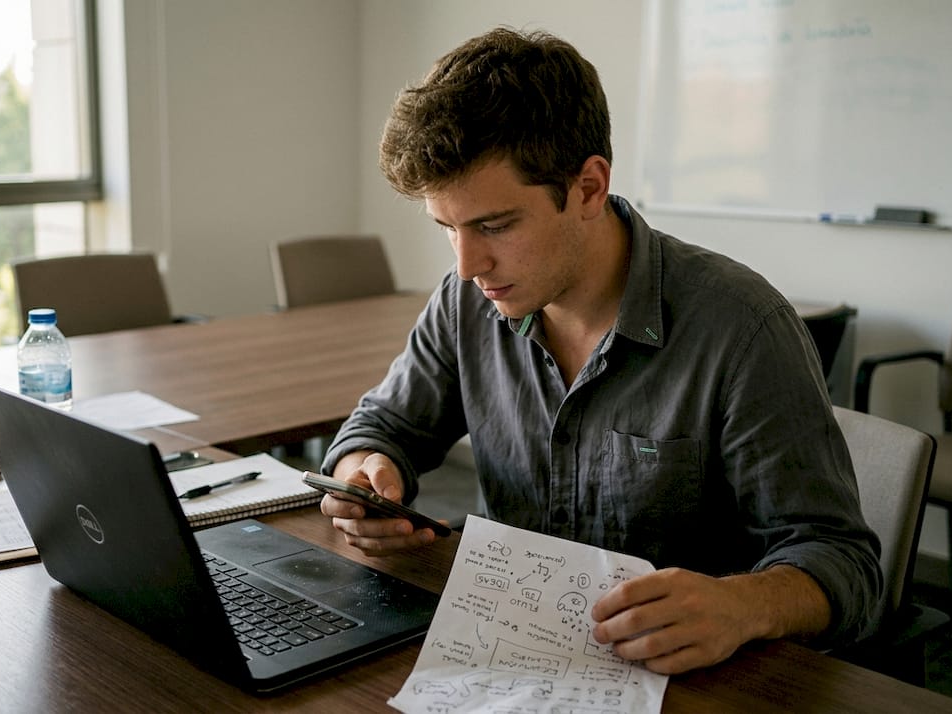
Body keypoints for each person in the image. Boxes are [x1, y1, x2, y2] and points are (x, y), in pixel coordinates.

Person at [316, 27, 882, 675]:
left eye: (495, 226)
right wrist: (365, 474)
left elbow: (842, 560)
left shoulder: (742, 327)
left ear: (588, 187)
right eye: (448, 229)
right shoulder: (465, 299)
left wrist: (743, 602)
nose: (468, 264)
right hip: (512, 657)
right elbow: (382, 428)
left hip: (689, 681)